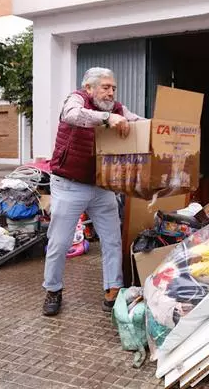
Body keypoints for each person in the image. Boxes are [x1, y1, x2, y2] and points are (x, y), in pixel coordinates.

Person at [43, 67, 140, 315]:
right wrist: (107, 119)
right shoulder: (76, 100)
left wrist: (165, 130)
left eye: (113, 88)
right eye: (106, 87)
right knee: (60, 242)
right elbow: (71, 115)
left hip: (102, 186)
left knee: (112, 239)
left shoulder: (117, 109)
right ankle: (53, 290)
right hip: (69, 184)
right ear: (89, 88)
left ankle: (113, 290)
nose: (111, 93)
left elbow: (140, 123)